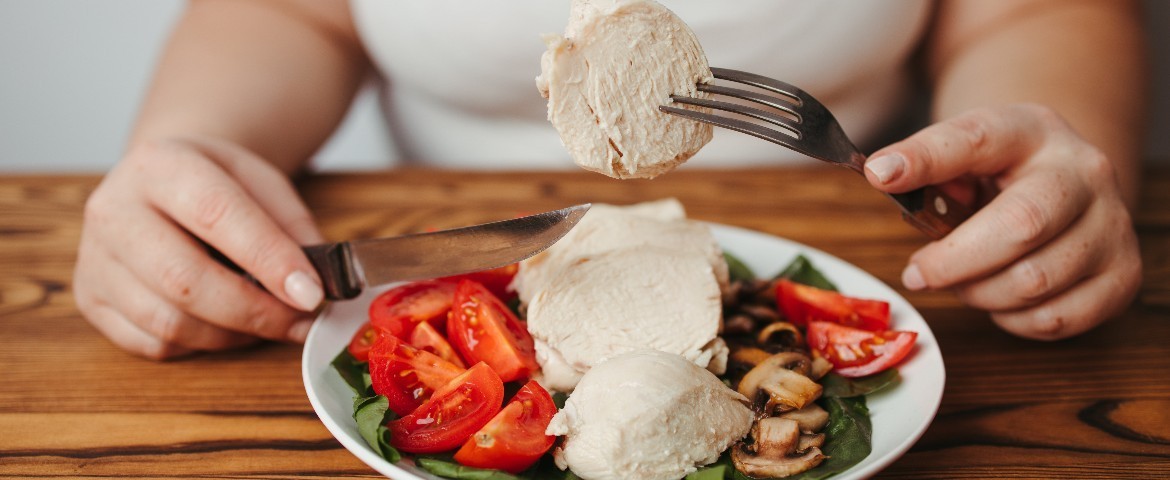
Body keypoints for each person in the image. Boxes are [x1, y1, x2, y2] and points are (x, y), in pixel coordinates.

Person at [73, 0, 1147, 359]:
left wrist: (1048, 173)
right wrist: (193, 155)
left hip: (864, 238)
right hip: (451, 250)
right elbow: (288, 11)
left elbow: (1035, 9)